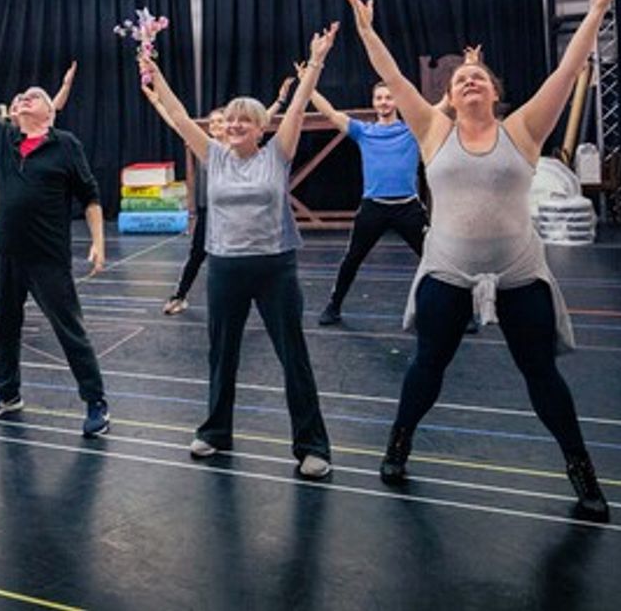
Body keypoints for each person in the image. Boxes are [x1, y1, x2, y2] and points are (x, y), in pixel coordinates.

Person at [342, 0, 621, 524]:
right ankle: (398, 444)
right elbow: (395, 77)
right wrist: (367, 32)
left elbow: (570, 68)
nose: (469, 81)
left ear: (496, 91)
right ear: (449, 97)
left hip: (520, 272)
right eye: (460, 79)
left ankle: (582, 472)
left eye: (478, 77)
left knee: (542, 376)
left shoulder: (524, 129)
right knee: (427, 367)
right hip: (448, 270)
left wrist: (596, 12)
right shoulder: (433, 130)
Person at [138, 27, 338, 478]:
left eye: (243, 121)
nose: (233, 125)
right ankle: (215, 432)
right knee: (221, 354)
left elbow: (301, 104)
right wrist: (154, 70)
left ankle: (312, 445)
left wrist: (317, 61)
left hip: (275, 268)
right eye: (229, 120)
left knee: (294, 356)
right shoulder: (214, 154)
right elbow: (175, 112)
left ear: (260, 126)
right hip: (225, 268)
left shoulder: (278, 153)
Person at [0, 20, 112, 437]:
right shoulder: (3, 139)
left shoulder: (65, 144)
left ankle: (96, 402)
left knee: (69, 329)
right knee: (4, 326)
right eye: (20, 97)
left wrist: (97, 243)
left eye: (33, 97)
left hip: (47, 257)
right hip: (4, 253)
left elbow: (91, 196)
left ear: (49, 111)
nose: (22, 99)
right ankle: (8, 394)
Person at [312, 50, 484, 329]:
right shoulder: (362, 131)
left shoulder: (413, 128)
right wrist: (308, 83)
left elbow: (445, 103)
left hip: (408, 208)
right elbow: (330, 113)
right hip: (373, 207)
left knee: (438, 257)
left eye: (388, 97)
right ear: (373, 102)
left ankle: (464, 313)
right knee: (352, 259)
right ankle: (333, 306)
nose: (384, 102)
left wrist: (469, 66)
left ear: (396, 101)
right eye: (379, 98)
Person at [146, 76, 294, 316]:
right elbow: (177, 120)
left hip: (242, 225)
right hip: (210, 212)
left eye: (219, 121)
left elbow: (262, 118)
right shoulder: (207, 147)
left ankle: (257, 297)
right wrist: (157, 101)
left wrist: (280, 100)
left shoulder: (235, 147)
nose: (215, 126)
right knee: (196, 255)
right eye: (213, 122)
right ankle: (180, 295)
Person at [0, 60, 79, 308]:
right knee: (1, 245)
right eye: (18, 102)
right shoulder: (5, 134)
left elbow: (55, 106)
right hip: (9, 205)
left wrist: (66, 84)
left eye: (27, 100)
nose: (22, 103)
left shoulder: (47, 134)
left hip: (39, 219)